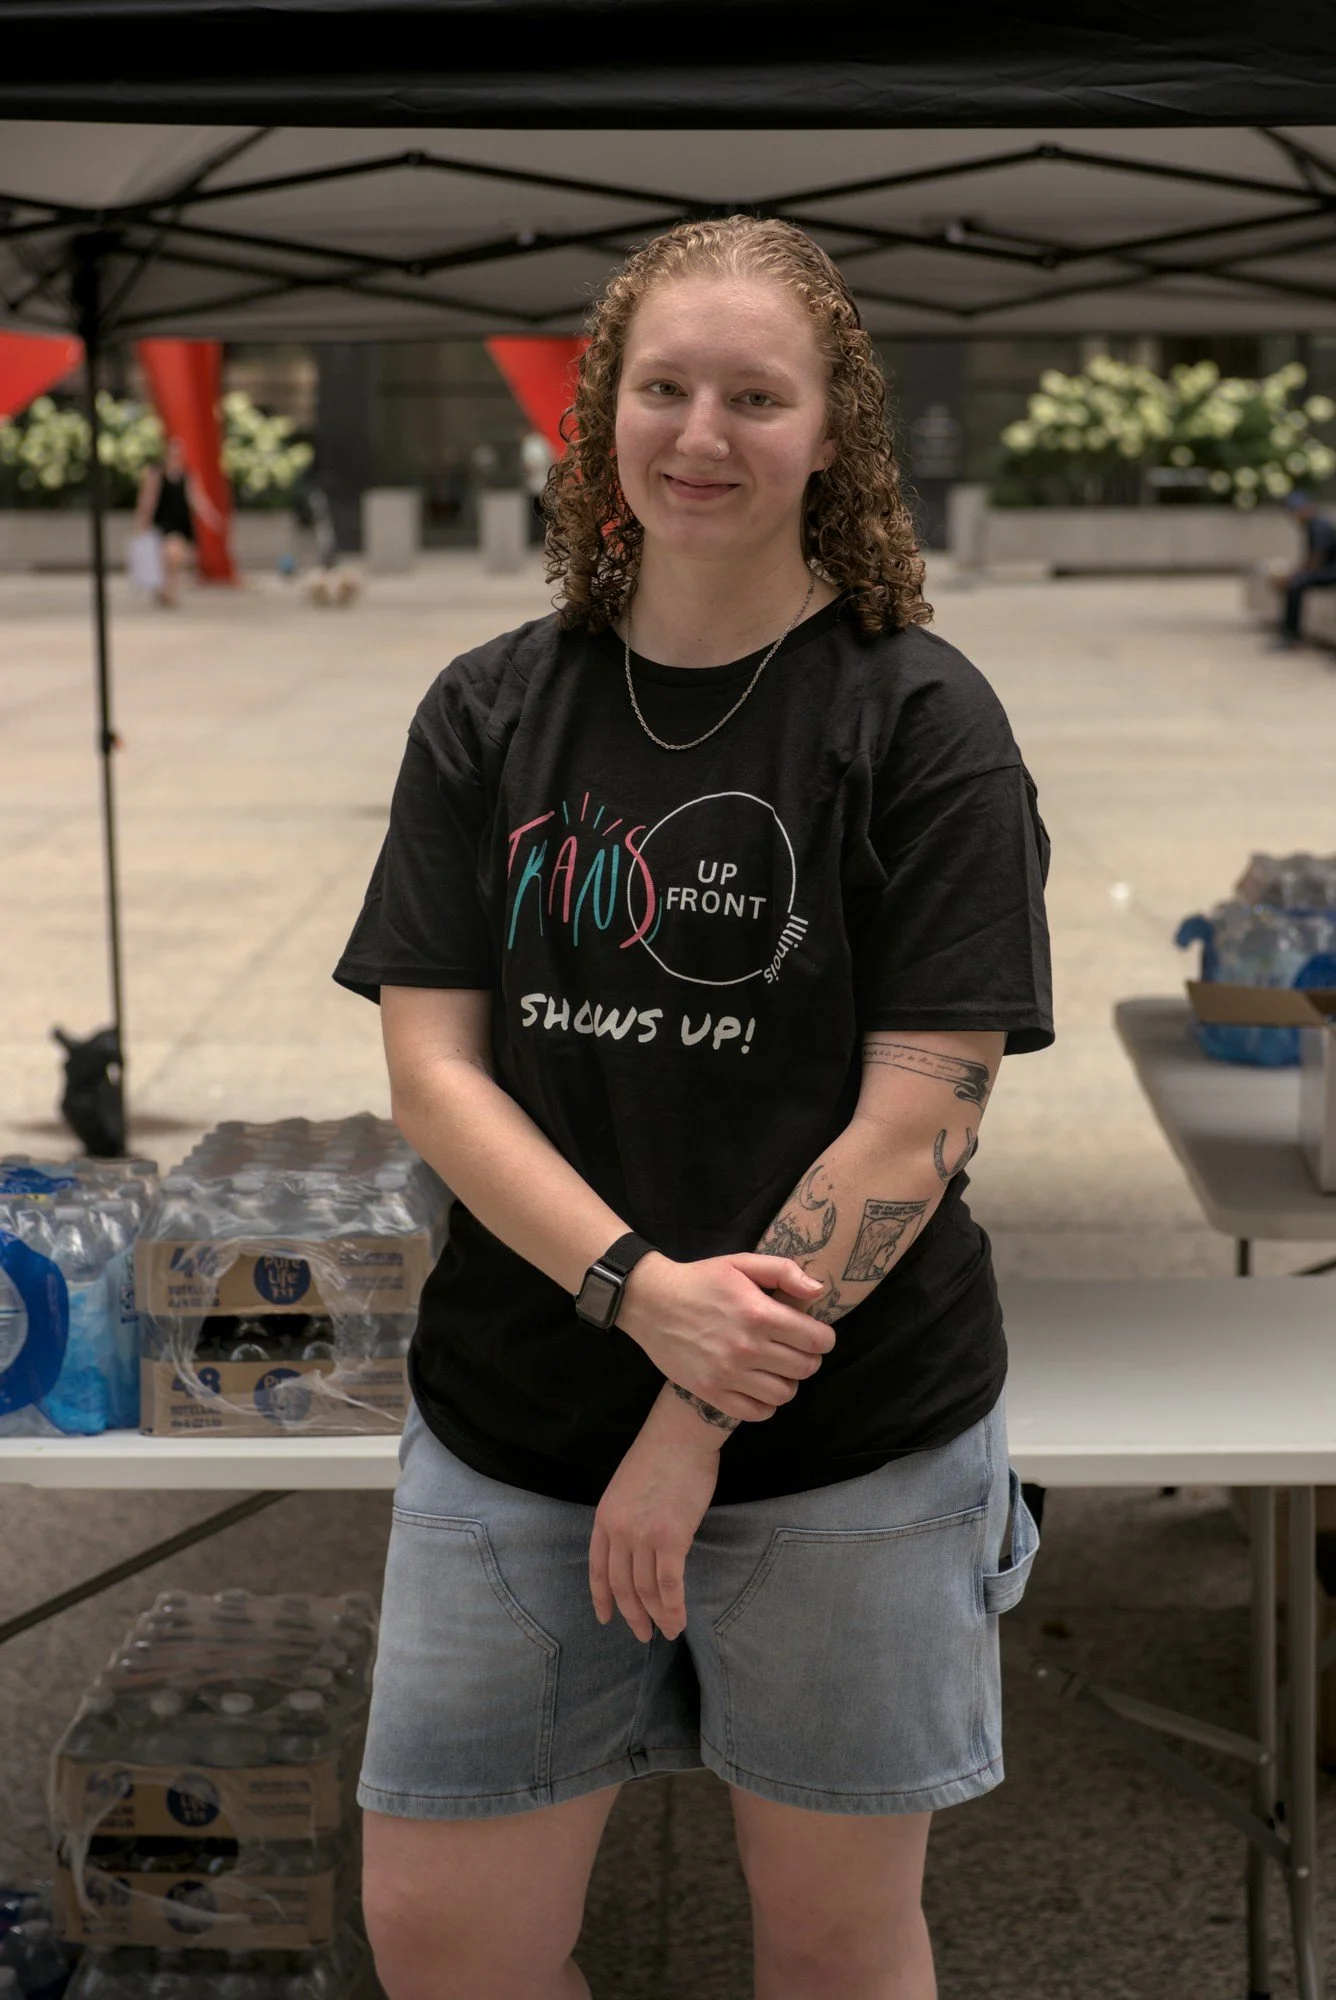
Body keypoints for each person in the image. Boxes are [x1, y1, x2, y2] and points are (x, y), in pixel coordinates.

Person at [334, 215, 1053, 2000]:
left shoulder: (920, 718)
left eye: (754, 393)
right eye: (663, 387)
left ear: (835, 433)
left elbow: (917, 1121)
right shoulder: (491, 708)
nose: (700, 434)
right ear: (602, 416)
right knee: (443, 1940)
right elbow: (434, 1072)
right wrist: (636, 1290)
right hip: (513, 1416)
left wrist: (691, 1415)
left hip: (845, 1449)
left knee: (827, 1946)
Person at [133, 434, 223, 607]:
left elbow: (197, 499)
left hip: (181, 522)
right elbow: (148, 498)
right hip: (164, 521)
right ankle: (165, 589)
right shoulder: (157, 473)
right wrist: (142, 519)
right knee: (167, 557)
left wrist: (211, 517)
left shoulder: (187, 476)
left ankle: (170, 591)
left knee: (176, 558)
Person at [1269, 489, 1336, 649]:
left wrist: (1293, 577)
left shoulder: (1319, 526)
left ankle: (1291, 636)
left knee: (1295, 585)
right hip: (1327, 570)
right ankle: (1289, 634)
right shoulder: (1311, 525)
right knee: (1293, 584)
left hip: (1331, 572)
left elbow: (1316, 560)